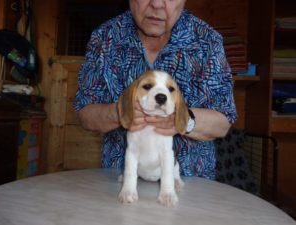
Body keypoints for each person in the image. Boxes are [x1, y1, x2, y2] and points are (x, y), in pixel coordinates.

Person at [74, 0, 237, 179]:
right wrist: (121, 112)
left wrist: (183, 120)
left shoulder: (207, 41)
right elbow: (85, 113)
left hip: (188, 183)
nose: (158, 4)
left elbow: (223, 122)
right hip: (121, 180)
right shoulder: (105, 38)